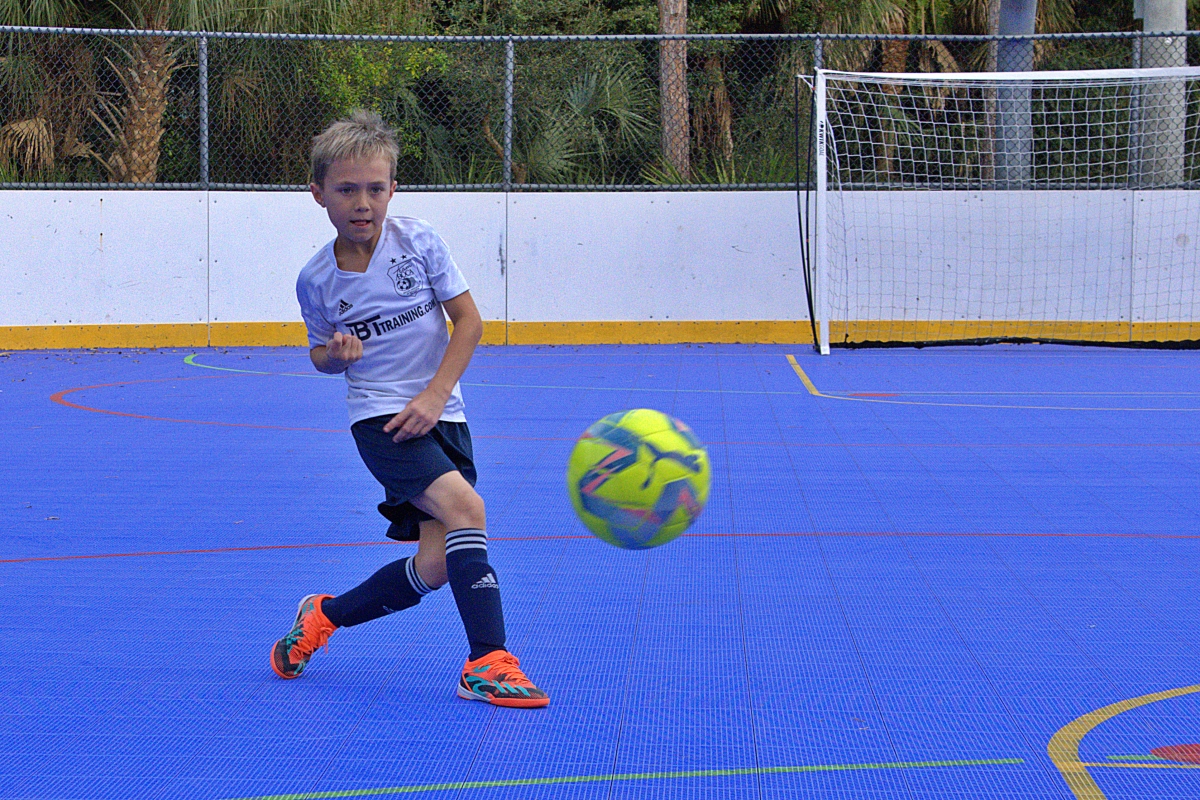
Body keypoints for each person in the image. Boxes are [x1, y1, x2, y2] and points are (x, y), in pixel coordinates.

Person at [270, 110, 548, 708]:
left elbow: (468, 321)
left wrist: (434, 396)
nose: (363, 202)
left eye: (375, 188)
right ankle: (487, 664)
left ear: (393, 188)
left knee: (437, 561)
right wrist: (336, 356)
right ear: (318, 193)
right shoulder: (316, 280)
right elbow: (320, 355)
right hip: (381, 420)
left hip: (441, 412)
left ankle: (323, 617)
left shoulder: (417, 241)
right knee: (467, 508)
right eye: (347, 189)